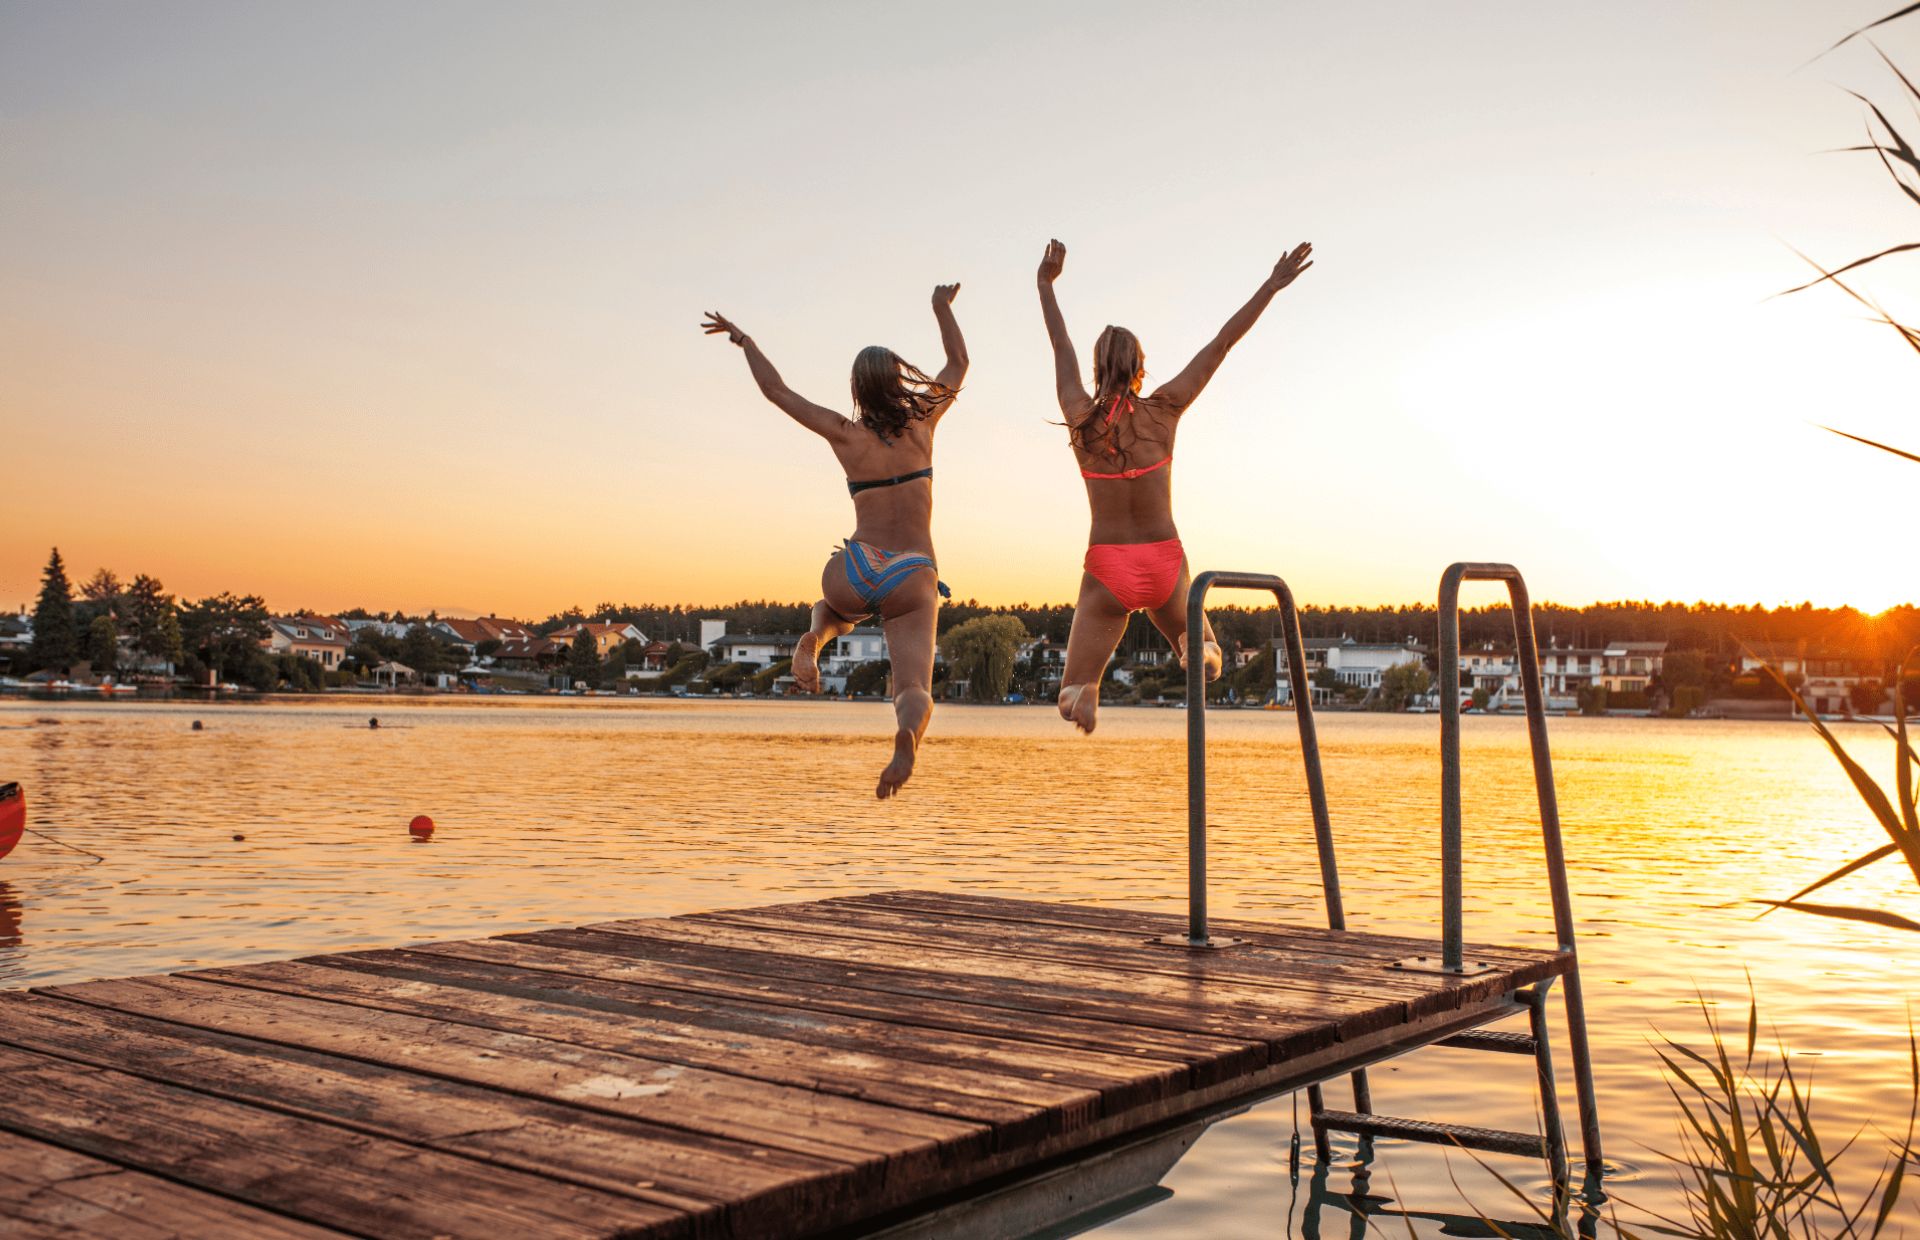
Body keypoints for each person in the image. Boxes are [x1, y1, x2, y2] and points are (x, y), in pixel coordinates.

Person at [1036, 237, 1313, 734]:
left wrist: (1045, 285)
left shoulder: (1081, 419)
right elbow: (1221, 343)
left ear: (1098, 369)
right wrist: (1270, 286)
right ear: (1140, 367)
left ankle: (1087, 692)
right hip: (1164, 561)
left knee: (1069, 693)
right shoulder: (1164, 410)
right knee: (1206, 649)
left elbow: (1060, 346)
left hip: (1107, 567)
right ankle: (1200, 653)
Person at [702, 284, 968, 797]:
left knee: (833, 605)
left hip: (857, 563)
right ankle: (907, 734)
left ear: (857, 390)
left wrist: (746, 340)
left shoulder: (845, 434)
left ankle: (815, 638)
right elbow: (959, 359)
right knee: (913, 687)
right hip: (913, 572)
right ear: (898, 382)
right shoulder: (924, 421)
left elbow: (777, 392)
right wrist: (940, 307)